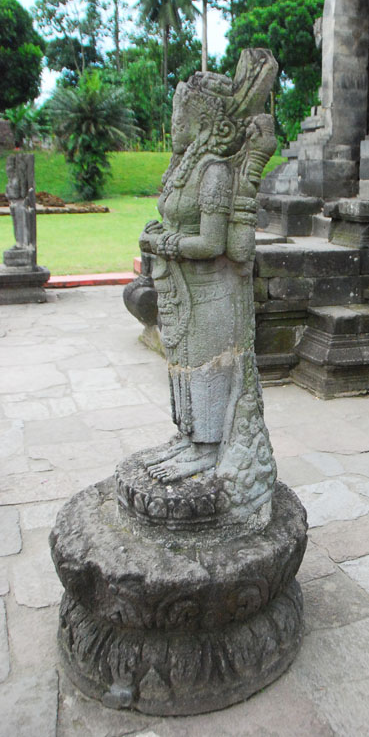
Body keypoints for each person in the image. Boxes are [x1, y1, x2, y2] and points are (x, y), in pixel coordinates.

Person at [139, 48, 278, 484]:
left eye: (180, 119)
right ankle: (189, 437)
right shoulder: (184, 169)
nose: (174, 127)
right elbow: (175, 219)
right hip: (180, 288)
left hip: (212, 290)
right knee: (181, 363)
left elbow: (213, 243)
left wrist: (165, 243)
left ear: (201, 123)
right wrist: (159, 233)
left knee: (207, 367)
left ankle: (209, 448)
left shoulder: (214, 172)